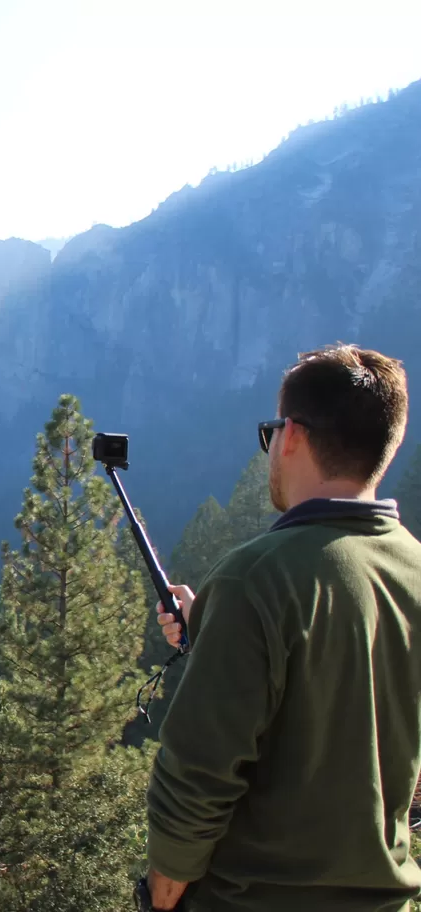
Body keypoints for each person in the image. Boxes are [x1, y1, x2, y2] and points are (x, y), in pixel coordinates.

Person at [141, 344, 421, 911]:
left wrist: (163, 892)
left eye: (270, 433)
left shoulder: (255, 580)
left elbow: (198, 771)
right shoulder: (412, 568)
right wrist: (213, 623)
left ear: (291, 434)